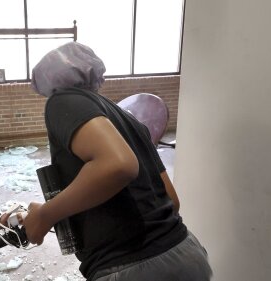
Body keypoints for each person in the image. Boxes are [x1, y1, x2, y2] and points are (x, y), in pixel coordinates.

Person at [22, 42, 212, 281]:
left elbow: (118, 165)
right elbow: (171, 200)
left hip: (131, 267)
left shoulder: (62, 101)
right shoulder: (126, 118)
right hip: (185, 253)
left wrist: (45, 215)